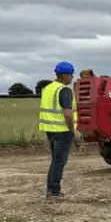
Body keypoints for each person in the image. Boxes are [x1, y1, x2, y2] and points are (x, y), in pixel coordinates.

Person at [38, 61, 81, 200]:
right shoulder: (64, 90)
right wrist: (72, 131)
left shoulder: (47, 89)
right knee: (59, 161)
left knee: (55, 160)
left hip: (50, 130)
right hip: (62, 131)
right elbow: (68, 114)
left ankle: (51, 189)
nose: (72, 78)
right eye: (71, 75)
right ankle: (54, 191)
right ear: (65, 76)